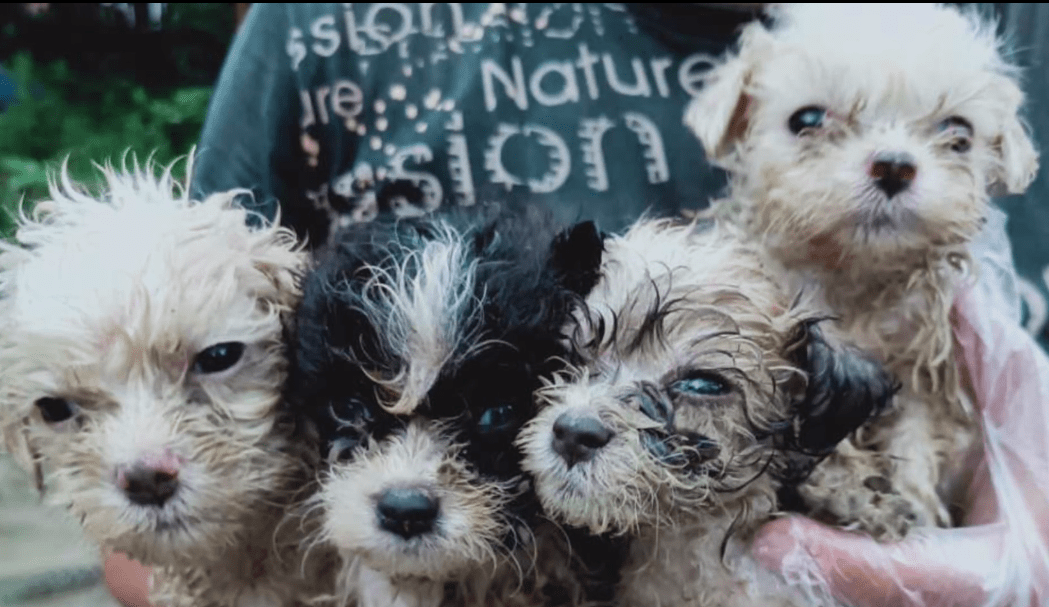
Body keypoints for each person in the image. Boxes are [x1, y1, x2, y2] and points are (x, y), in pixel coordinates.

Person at [107, 3, 1049, 606]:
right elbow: (145, 403)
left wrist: (1018, 539)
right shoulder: (326, 24)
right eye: (813, 124)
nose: (885, 155)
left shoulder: (942, 35)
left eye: (947, 134)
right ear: (741, 127)